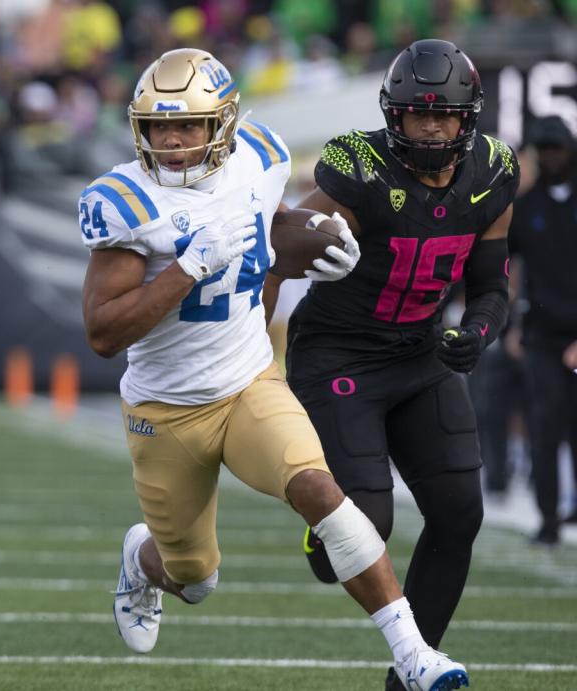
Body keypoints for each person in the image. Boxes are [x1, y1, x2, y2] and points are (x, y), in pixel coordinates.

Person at [80, 47, 470, 691]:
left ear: (225, 124)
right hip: (166, 410)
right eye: (158, 127)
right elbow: (102, 333)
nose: (172, 142)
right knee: (193, 578)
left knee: (322, 492)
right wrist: (185, 269)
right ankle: (142, 563)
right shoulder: (127, 202)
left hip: (247, 383)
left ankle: (414, 654)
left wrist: (320, 241)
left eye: (188, 126)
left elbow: (269, 228)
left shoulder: (261, 156)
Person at [267, 39, 518, 691]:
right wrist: (309, 241)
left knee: (461, 510)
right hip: (339, 353)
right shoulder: (361, 170)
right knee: (364, 528)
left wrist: (479, 331)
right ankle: (322, 528)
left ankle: (413, 668)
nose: (431, 127)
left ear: (468, 119)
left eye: (445, 114)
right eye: (417, 114)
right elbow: (284, 243)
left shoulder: (492, 172)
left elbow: (493, 284)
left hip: (420, 353)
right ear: (392, 115)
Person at [508, 114, 577, 546]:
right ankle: (548, 517)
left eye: (558, 150)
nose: (552, 158)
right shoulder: (527, 206)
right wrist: (514, 320)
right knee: (545, 425)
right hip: (544, 336)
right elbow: (508, 264)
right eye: (544, 150)